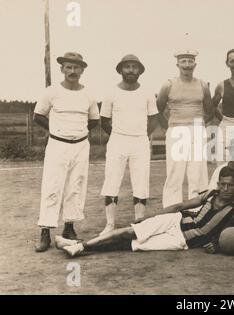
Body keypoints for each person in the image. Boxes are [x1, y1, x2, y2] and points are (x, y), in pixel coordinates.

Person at [56, 167, 234, 257]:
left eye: (230, 185)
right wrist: (152, 216)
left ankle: (78, 246)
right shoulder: (210, 194)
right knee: (129, 230)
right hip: (176, 221)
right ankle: (79, 246)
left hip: (183, 240)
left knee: (132, 245)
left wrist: (219, 244)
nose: (225, 188)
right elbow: (180, 207)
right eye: (222, 184)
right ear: (218, 183)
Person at [34, 52, 100, 252]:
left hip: (80, 146)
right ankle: (45, 231)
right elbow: (38, 115)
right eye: (68, 67)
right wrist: (57, 130)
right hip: (57, 145)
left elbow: (94, 120)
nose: (72, 71)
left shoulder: (88, 94)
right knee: (52, 187)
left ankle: (69, 229)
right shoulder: (51, 92)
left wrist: (77, 133)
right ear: (62, 69)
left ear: (82, 70)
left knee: (75, 187)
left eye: (76, 67)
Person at [98, 54, 160, 235]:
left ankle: (139, 223)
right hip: (117, 140)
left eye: (134, 67)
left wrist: (141, 135)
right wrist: (119, 135)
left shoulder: (147, 92)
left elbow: (154, 118)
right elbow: (104, 120)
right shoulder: (111, 93)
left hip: (140, 141)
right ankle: (110, 225)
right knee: (112, 181)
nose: (131, 70)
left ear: (140, 70)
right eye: (127, 67)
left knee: (141, 182)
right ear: (121, 70)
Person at [156, 50, 214, 207]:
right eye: (183, 62)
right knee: (175, 172)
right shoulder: (169, 84)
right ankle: (171, 210)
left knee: (197, 172)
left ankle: (197, 209)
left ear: (195, 64)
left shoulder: (202, 84)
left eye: (190, 61)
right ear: (177, 64)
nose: (187, 65)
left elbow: (210, 110)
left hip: (197, 131)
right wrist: (168, 126)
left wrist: (199, 125)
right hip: (176, 131)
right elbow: (158, 109)